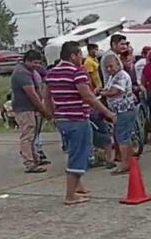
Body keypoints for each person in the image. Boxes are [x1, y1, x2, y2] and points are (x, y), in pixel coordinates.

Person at [45, 41, 116, 205]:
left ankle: (78, 187)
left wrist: (51, 115)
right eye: (80, 55)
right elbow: (88, 96)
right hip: (78, 118)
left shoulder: (52, 73)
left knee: (73, 151)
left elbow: (47, 97)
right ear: (73, 56)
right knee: (80, 155)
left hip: (63, 119)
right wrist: (107, 112)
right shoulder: (78, 72)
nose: (82, 59)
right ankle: (70, 195)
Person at [11, 50, 51, 173]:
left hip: (30, 108)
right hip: (24, 108)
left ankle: (35, 158)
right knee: (27, 135)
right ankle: (29, 162)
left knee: (33, 135)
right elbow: (32, 94)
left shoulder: (30, 71)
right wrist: (44, 110)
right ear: (27, 61)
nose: (36, 65)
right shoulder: (21, 73)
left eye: (38, 63)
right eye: (34, 62)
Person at [99, 55, 138, 175]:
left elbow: (116, 91)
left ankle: (125, 164)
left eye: (111, 66)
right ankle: (129, 161)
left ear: (117, 63)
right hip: (120, 110)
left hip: (124, 110)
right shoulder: (113, 77)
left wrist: (102, 93)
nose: (109, 69)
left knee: (122, 138)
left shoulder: (121, 75)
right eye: (106, 68)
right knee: (124, 136)